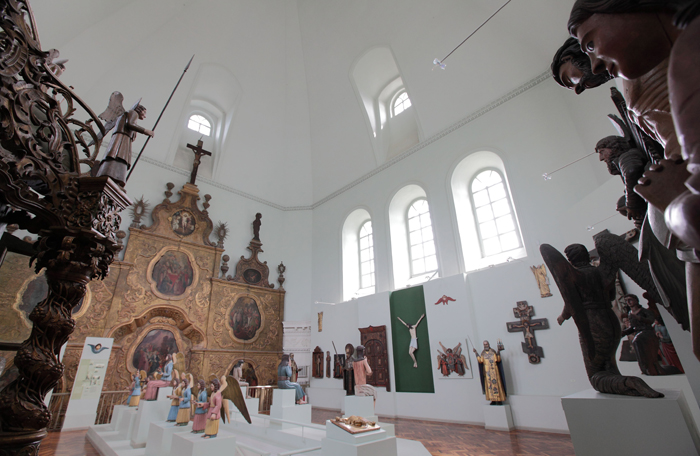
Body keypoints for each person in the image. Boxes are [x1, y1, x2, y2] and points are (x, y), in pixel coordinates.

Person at [96, 102, 154, 186]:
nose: (145, 116)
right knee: (118, 155)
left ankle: (115, 177)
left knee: (119, 156)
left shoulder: (129, 114)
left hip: (123, 138)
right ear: (139, 109)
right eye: (144, 112)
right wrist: (145, 131)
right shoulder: (132, 112)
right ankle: (113, 175)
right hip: (122, 138)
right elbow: (130, 124)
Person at [595, 135, 649, 225]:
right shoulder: (623, 160)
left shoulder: (627, 156)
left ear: (614, 148)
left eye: (602, 152)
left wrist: (631, 205)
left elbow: (631, 171)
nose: (601, 158)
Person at [622, 294, 680, 375]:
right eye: (626, 301)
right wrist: (623, 332)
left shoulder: (644, 311)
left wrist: (639, 318)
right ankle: (645, 368)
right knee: (637, 345)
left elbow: (650, 320)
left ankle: (652, 368)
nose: (628, 302)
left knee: (638, 341)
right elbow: (632, 327)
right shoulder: (630, 313)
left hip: (647, 332)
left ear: (636, 300)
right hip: (639, 334)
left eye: (630, 300)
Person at [473, 341, 507, 405]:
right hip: (487, 372)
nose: (485, 345)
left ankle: (499, 400)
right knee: (489, 386)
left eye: (486, 344)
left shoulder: (492, 352)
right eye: (484, 344)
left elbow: (498, 359)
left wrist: (498, 351)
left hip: (494, 371)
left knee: (497, 385)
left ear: (488, 344)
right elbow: (480, 361)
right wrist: (476, 353)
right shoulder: (483, 353)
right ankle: (493, 400)